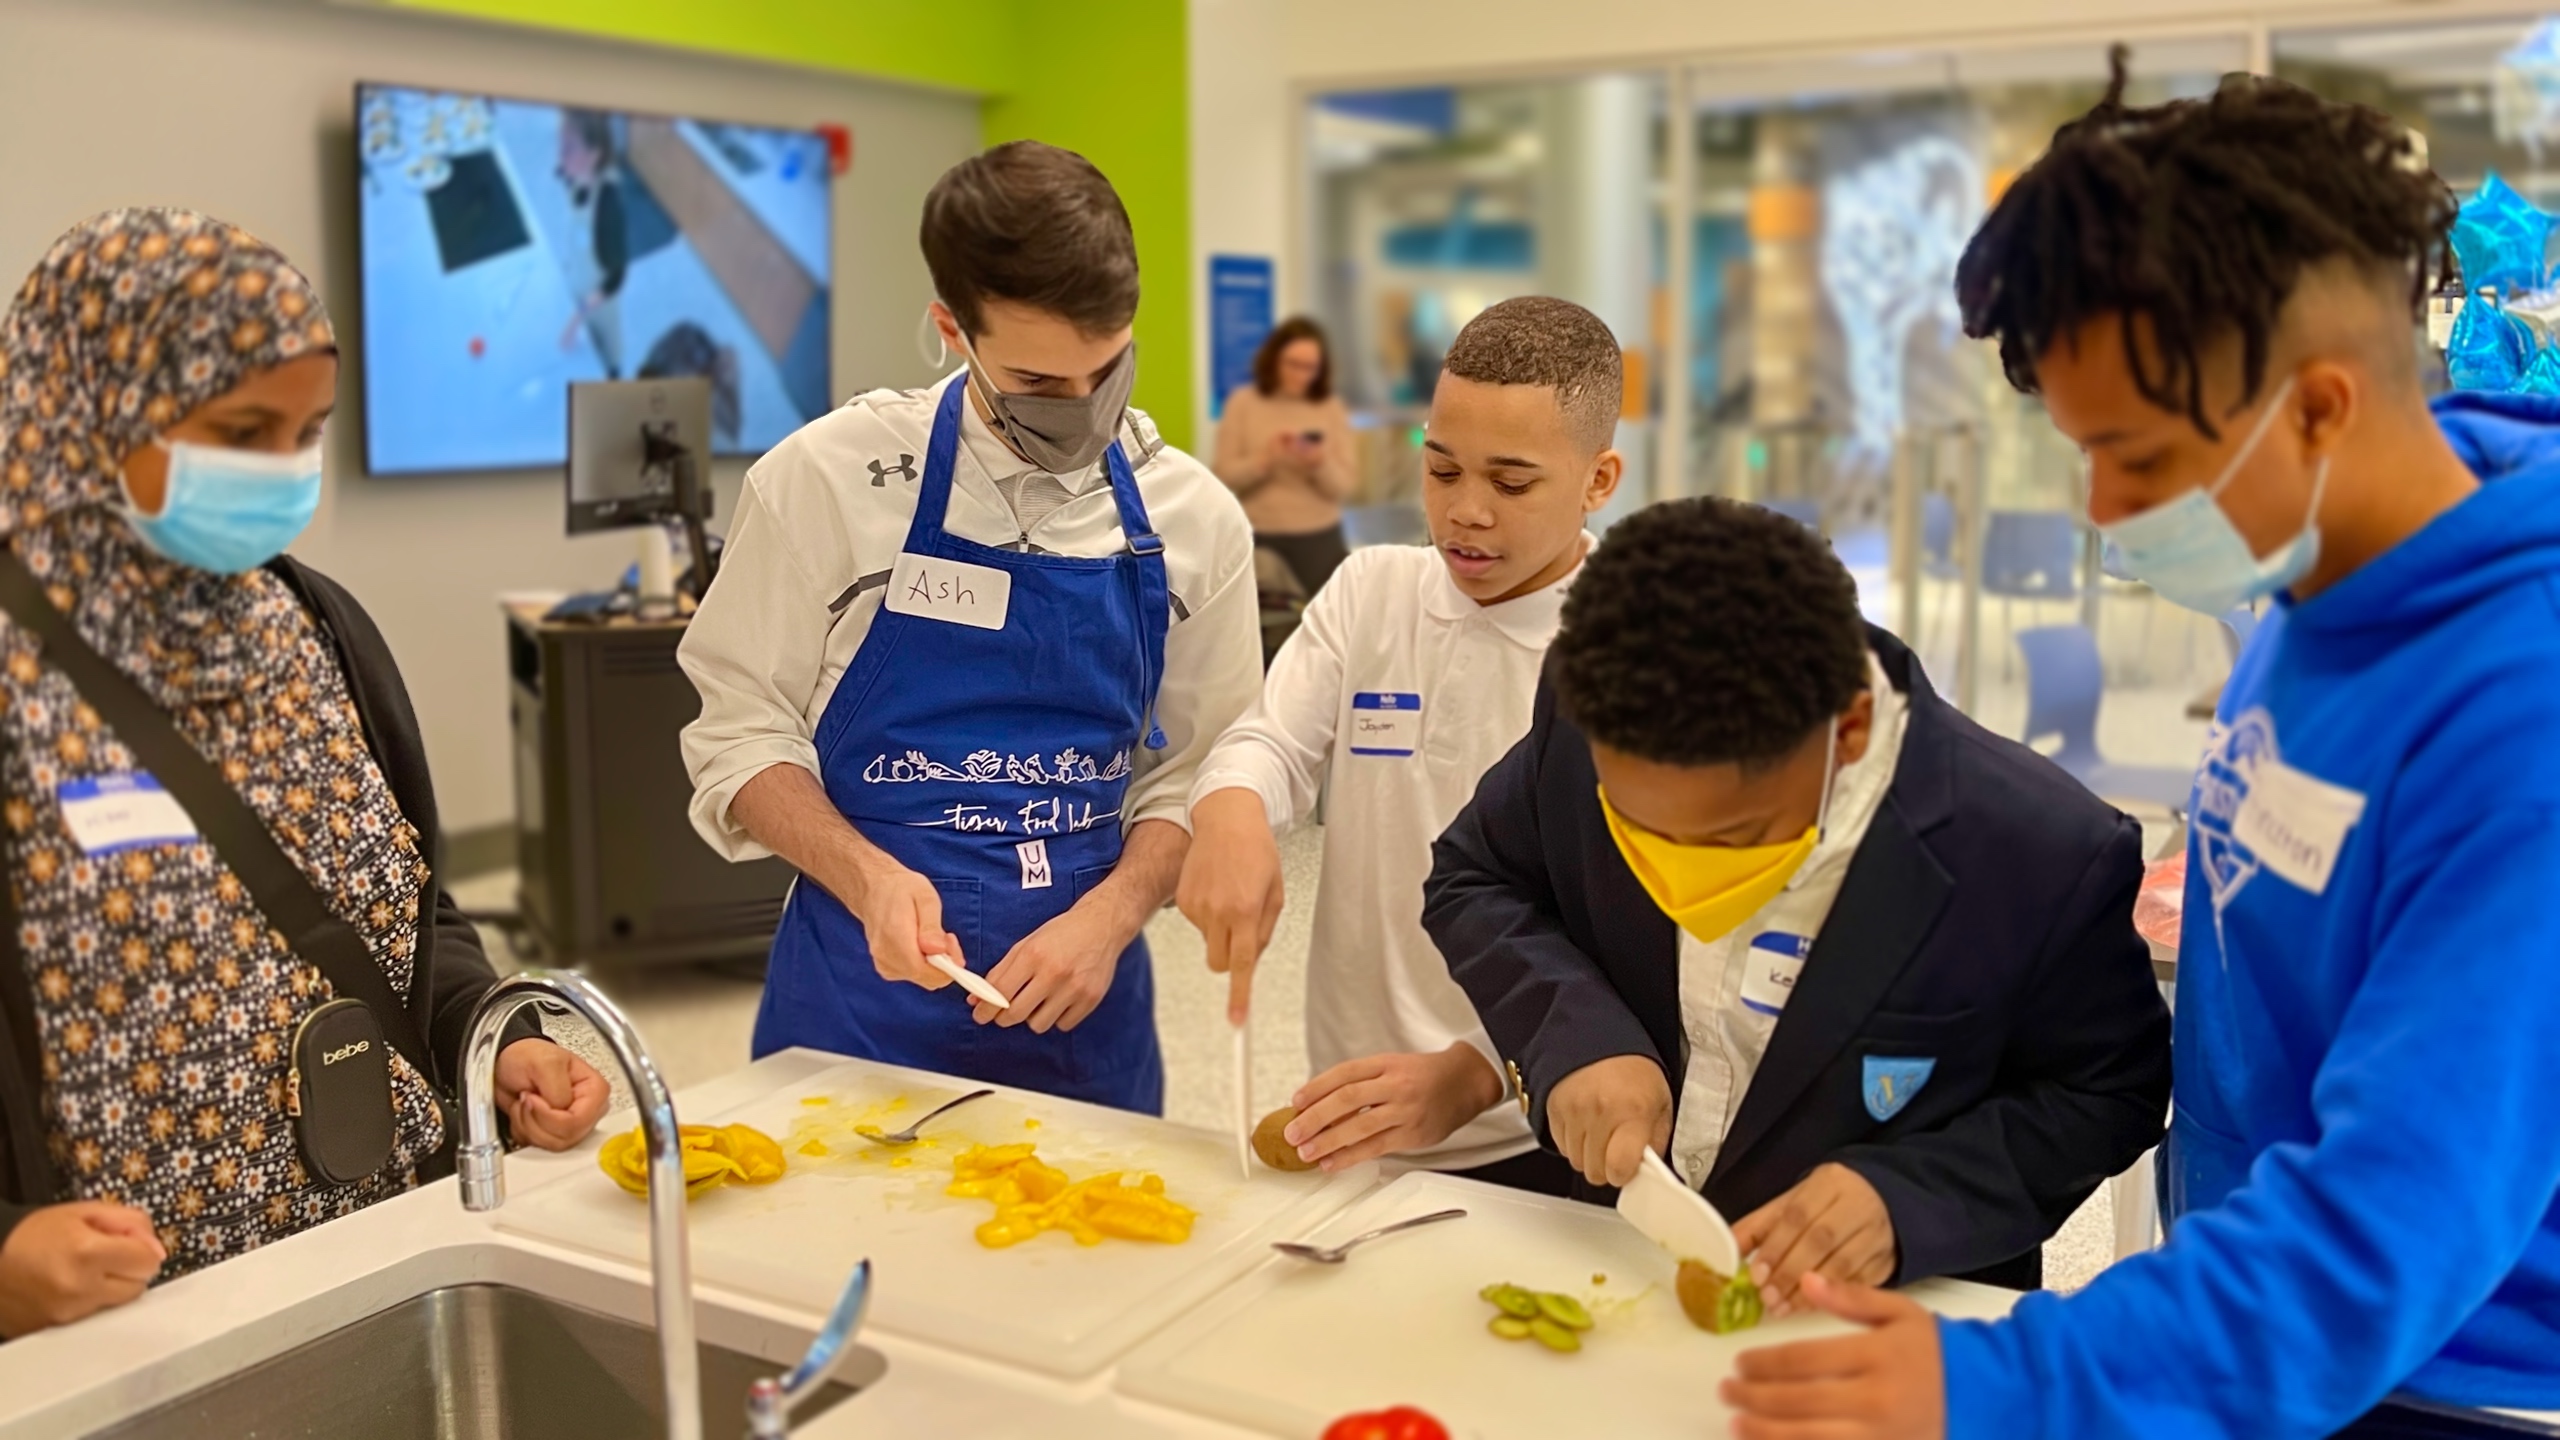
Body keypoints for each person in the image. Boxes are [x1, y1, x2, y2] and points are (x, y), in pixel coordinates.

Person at [1723, 63, 2560, 1440]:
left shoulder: (2517, 714)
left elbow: (2391, 1221)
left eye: (2144, 459)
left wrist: (2009, 1383)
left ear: (2321, 407)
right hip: (2248, 1314)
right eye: (2081, 453)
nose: (2106, 511)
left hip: (2443, 1368)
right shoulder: (2326, 573)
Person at [0, 209, 609, 1339]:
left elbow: (404, 914)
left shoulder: (312, 624)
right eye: (240, 431)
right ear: (84, 414)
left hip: (385, 1261)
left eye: (306, 432)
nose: (281, 474)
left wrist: (497, 1039)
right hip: (125, 1337)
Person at [1423, 497, 2169, 1313]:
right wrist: (1578, 1036)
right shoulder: (1586, 704)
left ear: (1848, 731)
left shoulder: (2041, 850)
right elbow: (1476, 875)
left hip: (1880, 1316)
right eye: (1632, 824)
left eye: (1734, 834)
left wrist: (1908, 1200)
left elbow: (2106, 1092)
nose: (1681, 875)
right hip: (1619, 1271)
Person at [678, 142, 1259, 1114]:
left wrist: (1114, 915)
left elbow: (1201, 773)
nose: (1081, 412)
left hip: (1086, 1009)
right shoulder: (824, 484)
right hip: (857, 1005)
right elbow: (739, 735)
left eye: (1106, 369)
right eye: (1037, 381)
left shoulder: (1194, 519)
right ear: (951, 328)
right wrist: (865, 878)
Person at [1178, 296, 1620, 1193]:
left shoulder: (1625, 645)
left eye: (1511, 482)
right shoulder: (1372, 591)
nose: (1465, 513)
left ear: (1599, 481)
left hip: (1544, 1129)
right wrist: (1230, 810)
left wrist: (1483, 1070)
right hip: (1354, 1115)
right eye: (1442, 469)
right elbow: (1269, 742)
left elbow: (1638, 935)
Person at [1212, 316, 1357, 598]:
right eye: (1293, 364)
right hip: (1259, 538)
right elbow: (1223, 476)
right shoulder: (1243, 403)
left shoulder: (1329, 407)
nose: (1301, 375)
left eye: (1310, 367)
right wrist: (1265, 459)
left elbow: (1345, 486)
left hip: (1319, 540)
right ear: (1274, 360)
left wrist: (1319, 464)